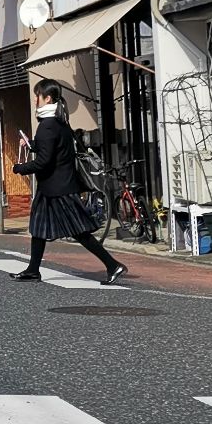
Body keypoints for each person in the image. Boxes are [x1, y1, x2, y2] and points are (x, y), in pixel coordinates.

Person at [13, 80, 126, 285]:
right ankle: (33, 270)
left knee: (79, 231)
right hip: (53, 188)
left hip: (58, 189)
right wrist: (31, 145)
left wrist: (20, 168)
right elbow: (52, 148)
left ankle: (112, 265)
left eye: (38, 95)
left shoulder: (47, 125)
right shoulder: (59, 122)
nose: (35, 99)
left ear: (48, 98)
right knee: (38, 228)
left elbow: (44, 160)